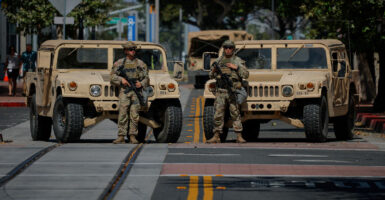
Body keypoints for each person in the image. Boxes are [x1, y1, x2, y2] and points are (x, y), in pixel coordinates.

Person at [206, 40, 249, 143]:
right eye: (226, 48)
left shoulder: (238, 61)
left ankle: (239, 136)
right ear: (223, 49)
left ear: (233, 49)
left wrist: (237, 68)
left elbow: (246, 75)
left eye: (230, 48)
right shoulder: (218, 61)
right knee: (218, 114)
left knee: (235, 113)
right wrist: (214, 71)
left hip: (232, 91)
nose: (228, 50)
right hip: (221, 91)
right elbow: (210, 76)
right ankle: (216, 136)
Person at [110, 41, 149, 144]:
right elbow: (112, 77)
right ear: (126, 51)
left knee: (135, 115)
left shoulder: (140, 64)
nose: (133, 51)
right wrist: (121, 80)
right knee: (122, 114)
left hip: (136, 93)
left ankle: (132, 136)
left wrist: (141, 83)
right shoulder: (119, 63)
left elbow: (146, 78)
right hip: (125, 91)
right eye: (131, 49)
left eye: (134, 49)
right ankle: (121, 136)